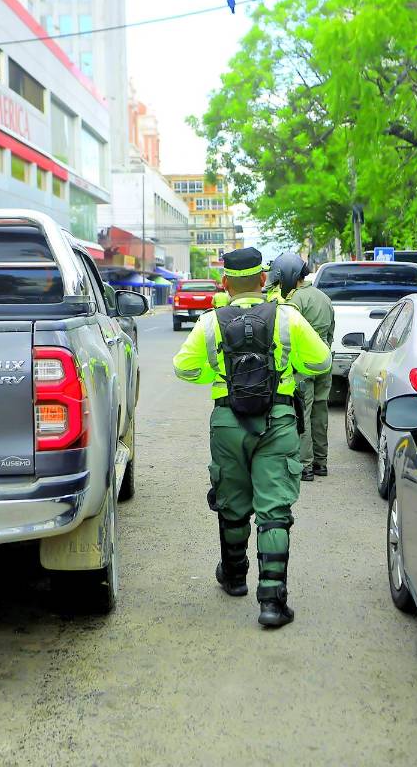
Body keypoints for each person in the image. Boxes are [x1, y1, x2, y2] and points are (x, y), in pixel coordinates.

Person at [172, 247, 331, 628]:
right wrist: (288, 368)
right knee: (274, 510)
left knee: (232, 501)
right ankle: (272, 602)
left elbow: (183, 369)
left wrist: (217, 377)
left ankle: (235, 577)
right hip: (277, 420)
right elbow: (321, 361)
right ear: (263, 280)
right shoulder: (287, 317)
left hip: (227, 421)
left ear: (225, 284)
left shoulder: (211, 322)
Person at [266, 252, 336, 482]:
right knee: (320, 412)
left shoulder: (294, 300)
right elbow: (331, 332)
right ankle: (321, 462)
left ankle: (305, 466)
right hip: (324, 362)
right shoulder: (324, 297)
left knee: (302, 415)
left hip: (302, 367)